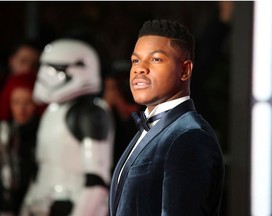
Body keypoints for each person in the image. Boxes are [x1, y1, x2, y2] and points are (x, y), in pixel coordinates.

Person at [109, 19, 224, 216]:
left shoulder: (189, 137)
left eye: (155, 59)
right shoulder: (152, 129)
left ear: (185, 70)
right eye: (135, 60)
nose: (139, 69)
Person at [20, 39, 114, 216]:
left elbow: (97, 180)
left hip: (71, 203)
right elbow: (41, 170)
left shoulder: (90, 113)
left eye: (54, 69)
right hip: (41, 202)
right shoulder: (52, 111)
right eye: (44, 67)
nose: (44, 75)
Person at [0, 73, 40, 216]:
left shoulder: (42, 133)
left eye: (28, 102)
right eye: (16, 102)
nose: (21, 109)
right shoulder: (5, 131)